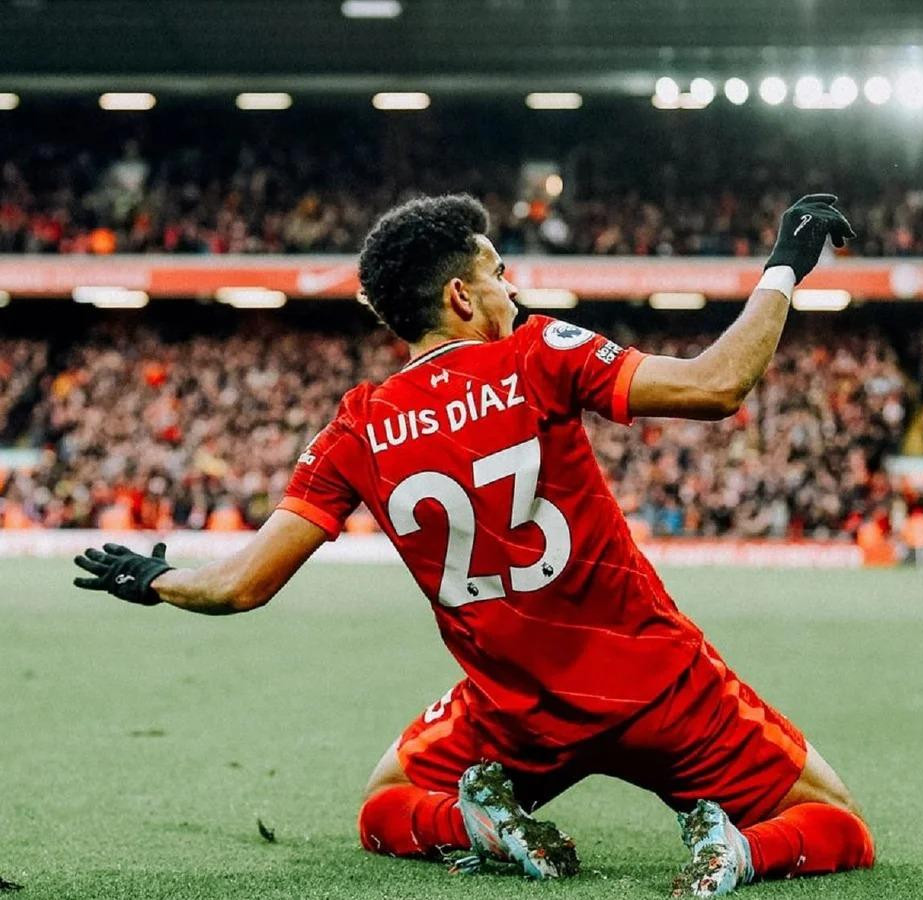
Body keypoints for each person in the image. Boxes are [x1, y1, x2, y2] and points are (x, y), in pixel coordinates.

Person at [72, 192, 872, 897]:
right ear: (461, 295)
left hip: (514, 714)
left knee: (387, 805)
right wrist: (783, 267)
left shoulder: (360, 424)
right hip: (659, 690)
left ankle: (481, 827)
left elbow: (241, 585)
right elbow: (716, 385)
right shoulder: (539, 354)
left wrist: (157, 578)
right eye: (497, 273)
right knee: (834, 821)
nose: (511, 289)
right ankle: (740, 848)